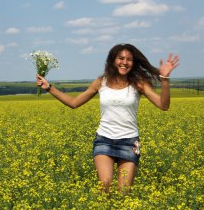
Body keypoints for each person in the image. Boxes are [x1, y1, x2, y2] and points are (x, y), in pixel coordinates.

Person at [36, 43, 179, 194]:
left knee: (123, 192)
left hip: (129, 142)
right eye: (121, 58)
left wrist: (164, 80)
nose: (124, 62)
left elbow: (163, 105)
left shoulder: (138, 83)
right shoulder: (101, 82)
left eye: (129, 59)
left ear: (133, 63)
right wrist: (49, 87)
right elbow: (74, 103)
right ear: (112, 60)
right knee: (105, 186)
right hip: (104, 140)